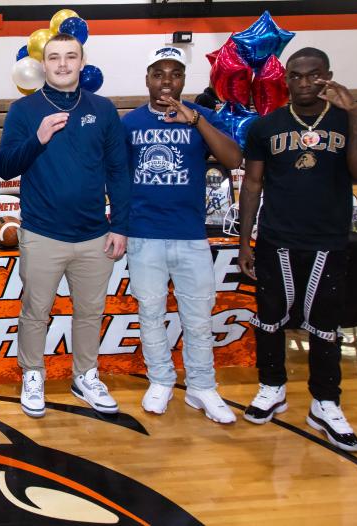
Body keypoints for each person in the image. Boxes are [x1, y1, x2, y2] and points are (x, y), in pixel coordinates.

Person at [238, 47, 357, 451]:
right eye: (296, 76)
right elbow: (253, 183)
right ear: (286, 79)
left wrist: (354, 116)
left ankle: (325, 402)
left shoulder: (348, 121)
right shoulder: (266, 126)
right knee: (270, 318)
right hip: (278, 237)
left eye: (313, 75)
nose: (305, 82)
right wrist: (246, 239)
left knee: (325, 325)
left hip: (328, 239)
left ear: (327, 76)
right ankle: (271, 386)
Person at [0, 33, 129, 416]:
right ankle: (33, 373)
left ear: (82, 61)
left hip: (94, 235)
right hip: (42, 233)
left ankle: (85, 375)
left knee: (90, 311)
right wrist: (37, 139)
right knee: (35, 311)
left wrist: (119, 225)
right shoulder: (23, 110)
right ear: (43, 63)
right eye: (54, 57)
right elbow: (5, 166)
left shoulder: (103, 109)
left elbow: (119, 171)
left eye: (70, 57)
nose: (62, 64)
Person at [122, 46, 243, 423]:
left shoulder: (201, 116)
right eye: (159, 73)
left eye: (174, 74)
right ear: (147, 78)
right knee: (151, 312)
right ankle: (160, 380)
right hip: (144, 234)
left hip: (190, 234)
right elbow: (117, 176)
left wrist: (195, 122)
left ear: (184, 80)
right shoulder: (129, 124)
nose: (166, 81)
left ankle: (202, 387)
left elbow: (234, 160)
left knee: (198, 315)